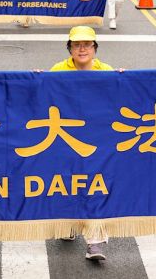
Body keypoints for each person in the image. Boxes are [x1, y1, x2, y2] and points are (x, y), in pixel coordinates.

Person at [47, 26, 117, 261]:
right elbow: (43, 96)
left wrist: (126, 81)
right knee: (66, 184)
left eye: (88, 44)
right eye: (77, 45)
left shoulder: (107, 72)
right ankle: (67, 227)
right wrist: (35, 79)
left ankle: (95, 243)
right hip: (65, 141)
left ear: (95, 49)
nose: (82, 49)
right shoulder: (58, 70)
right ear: (70, 49)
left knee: (95, 187)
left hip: (95, 142)